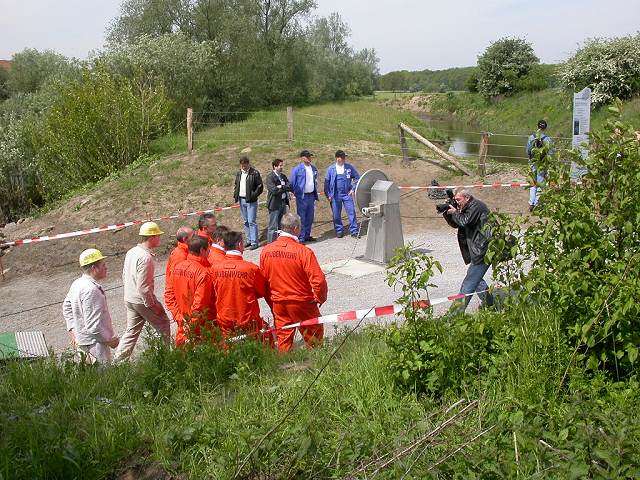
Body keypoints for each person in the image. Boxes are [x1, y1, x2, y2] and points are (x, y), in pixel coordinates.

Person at [260, 213, 327, 352]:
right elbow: (318, 280)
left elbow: (264, 279)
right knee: (314, 336)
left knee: (283, 338)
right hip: (301, 302)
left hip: (279, 303)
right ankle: (316, 365)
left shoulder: (266, 251)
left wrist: (272, 300)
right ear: (296, 228)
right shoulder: (303, 252)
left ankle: (285, 367)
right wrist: (320, 297)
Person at [113, 222, 171, 362]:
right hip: (141, 300)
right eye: (158, 236)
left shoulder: (132, 252)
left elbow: (124, 275)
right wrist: (153, 305)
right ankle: (163, 358)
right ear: (152, 237)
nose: (159, 239)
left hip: (130, 298)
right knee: (163, 324)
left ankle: (118, 361)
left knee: (131, 332)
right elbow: (144, 287)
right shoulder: (146, 258)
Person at [212, 230, 273, 344]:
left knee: (228, 348)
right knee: (266, 340)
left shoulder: (215, 268)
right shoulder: (251, 268)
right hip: (248, 318)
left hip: (225, 319)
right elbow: (261, 290)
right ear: (240, 245)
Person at [63, 248, 119, 365]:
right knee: (104, 379)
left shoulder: (77, 283)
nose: (106, 267)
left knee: (89, 377)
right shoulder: (91, 290)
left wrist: (73, 330)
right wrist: (110, 340)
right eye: (103, 265)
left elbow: (67, 307)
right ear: (94, 268)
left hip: (82, 342)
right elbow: (94, 326)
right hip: (95, 346)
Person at [443, 189, 494, 315]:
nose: (457, 202)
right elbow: (456, 224)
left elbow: (464, 221)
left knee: (469, 283)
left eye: (458, 200)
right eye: (455, 200)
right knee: (477, 280)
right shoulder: (466, 208)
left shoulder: (476, 206)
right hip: (479, 249)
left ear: (467, 197)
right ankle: (490, 305)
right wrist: (447, 212)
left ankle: (453, 316)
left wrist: (455, 212)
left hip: (483, 250)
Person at [167, 234, 216, 345]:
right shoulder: (203, 273)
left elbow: (169, 296)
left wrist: (179, 318)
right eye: (209, 249)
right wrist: (190, 326)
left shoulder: (177, 268)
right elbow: (200, 305)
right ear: (202, 250)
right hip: (201, 329)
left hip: (183, 326)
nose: (210, 252)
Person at [164, 226, 194, 341]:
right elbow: (171, 287)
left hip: (184, 303)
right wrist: (178, 315)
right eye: (193, 236)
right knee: (184, 337)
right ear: (186, 239)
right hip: (182, 306)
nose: (196, 237)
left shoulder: (184, 252)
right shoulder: (180, 256)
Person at [324, 150, 361, 238]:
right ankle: (339, 230)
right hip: (335, 195)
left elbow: (357, 178)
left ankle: (354, 231)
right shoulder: (331, 169)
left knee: (351, 212)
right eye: (343, 157)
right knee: (336, 214)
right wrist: (328, 195)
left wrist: (353, 189)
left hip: (347, 194)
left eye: (345, 157)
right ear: (338, 158)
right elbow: (326, 183)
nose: (344, 159)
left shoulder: (349, 167)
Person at [233, 156, 263, 250]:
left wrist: (253, 195)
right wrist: (235, 194)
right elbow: (236, 184)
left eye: (245, 165)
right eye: (242, 165)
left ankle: (254, 242)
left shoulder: (254, 173)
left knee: (251, 221)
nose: (243, 167)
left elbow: (260, 186)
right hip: (241, 199)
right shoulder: (239, 173)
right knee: (246, 221)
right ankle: (249, 240)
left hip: (251, 200)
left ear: (248, 164)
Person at [290, 150, 319, 243]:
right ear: (302, 158)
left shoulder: (314, 168)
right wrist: (293, 192)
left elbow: (315, 180)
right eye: (307, 156)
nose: (309, 158)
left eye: (310, 156)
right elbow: (292, 182)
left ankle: (307, 235)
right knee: (301, 217)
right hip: (302, 196)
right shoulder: (297, 169)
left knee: (310, 217)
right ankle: (301, 237)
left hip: (311, 195)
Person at [526, 119, 552, 212]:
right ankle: (537, 204)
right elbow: (550, 153)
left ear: (537, 126)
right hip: (542, 164)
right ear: (545, 128)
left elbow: (528, 151)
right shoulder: (547, 139)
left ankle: (531, 203)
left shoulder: (531, 137)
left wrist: (530, 161)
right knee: (540, 184)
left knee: (533, 184)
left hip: (533, 163)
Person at [265, 158, 292, 243]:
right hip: (274, 204)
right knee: (273, 226)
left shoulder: (283, 176)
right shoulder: (270, 177)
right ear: (274, 166)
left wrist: (281, 187)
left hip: (283, 203)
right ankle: (271, 244)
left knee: (282, 225)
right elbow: (273, 190)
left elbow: (289, 186)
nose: (281, 167)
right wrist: (282, 188)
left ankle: (281, 242)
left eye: (282, 165)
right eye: (280, 165)